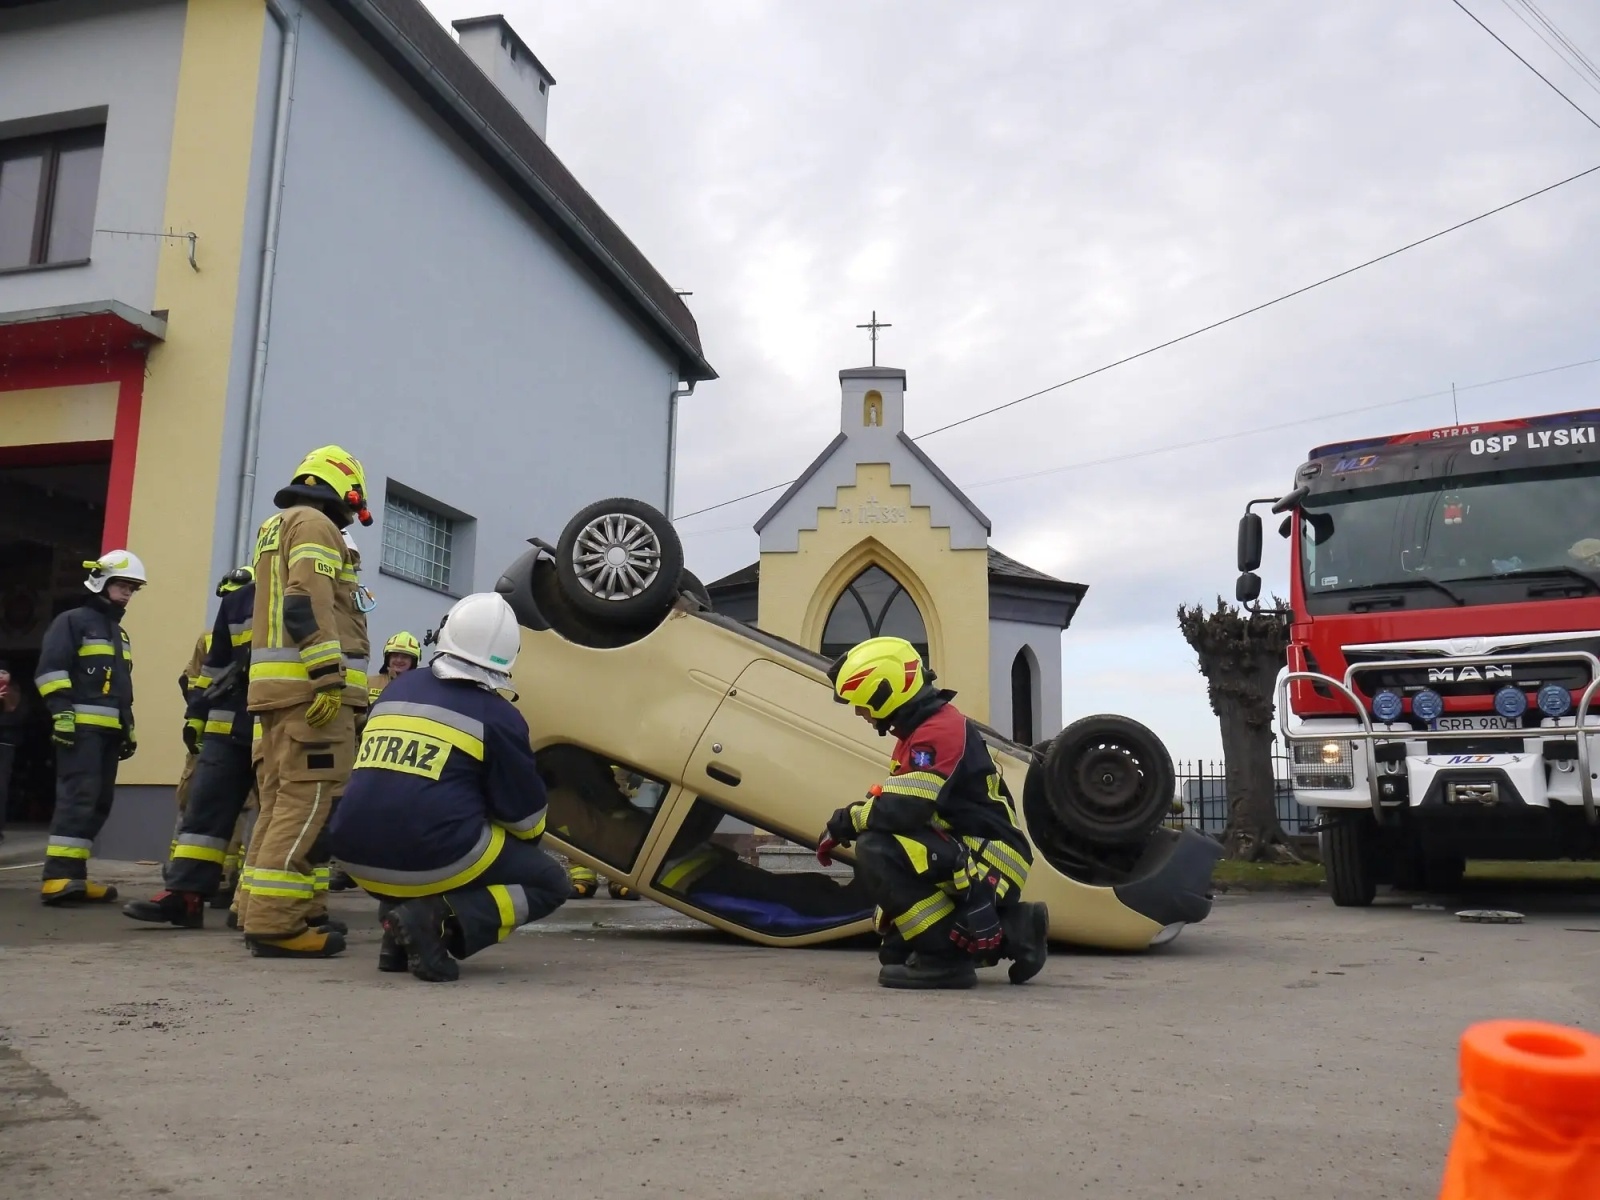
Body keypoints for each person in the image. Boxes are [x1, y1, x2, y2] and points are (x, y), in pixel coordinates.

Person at [327, 592, 569, 982]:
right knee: (549, 882)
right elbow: (525, 821)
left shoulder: (396, 689)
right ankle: (435, 925)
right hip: (425, 858)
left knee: (424, 816)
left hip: (351, 853)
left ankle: (397, 938)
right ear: (509, 657)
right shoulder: (500, 716)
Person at [817, 636, 1049, 990]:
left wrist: (848, 821)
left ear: (884, 691)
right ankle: (1018, 929)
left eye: (860, 703)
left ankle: (946, 963)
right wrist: (855, 817)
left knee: (876, 849)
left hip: (990, 858)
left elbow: (904, 810)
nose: (859, 713)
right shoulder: (926, 728)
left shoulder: (937, 731)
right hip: (972, 848)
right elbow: (900, 802)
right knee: (895, 953)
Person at [234, 446, 370, 958]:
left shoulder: (278, 526)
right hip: (310, 693)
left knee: (278, 802)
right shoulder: (315, 524)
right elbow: (304, 600)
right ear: (344, 490)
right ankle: (276, 922)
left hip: (278, 693)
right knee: (307, 801)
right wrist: (328, 675)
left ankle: (260, 905)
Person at [124, 567, 258, 929]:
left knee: (274, 820)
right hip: (226, 726)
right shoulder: (237, 603)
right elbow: (212, 670)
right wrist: (196, 716)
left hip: (278, 728)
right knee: (204, 812)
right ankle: (185, 896)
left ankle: (260, 905)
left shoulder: (313, 596)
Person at [34, 551, 146, 904]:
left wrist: (127, 726)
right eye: (122, 585)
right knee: (78, 799)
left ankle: (74, 877)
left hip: (108, 733)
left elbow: (121, 688)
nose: (127, 593)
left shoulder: (119, 633)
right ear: (100, 581)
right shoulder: (72, 621)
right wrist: (62, 713)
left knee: (98, 802)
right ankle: (57, 877)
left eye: (132, 588)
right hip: (80, 730)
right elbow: (51, 670)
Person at [0, 659, 33, 843]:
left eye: (3, 672)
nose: (1, 676)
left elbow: (19, 719)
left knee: (1, 788)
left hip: (5, 745)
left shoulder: (16, 694)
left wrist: (6, 704)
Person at [366, 632, 420, 704]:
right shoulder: (369, 682)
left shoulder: (420, 689)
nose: (399, 660)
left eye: (405, 657)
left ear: (413, 662)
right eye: (395, 655)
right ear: (388, 658)